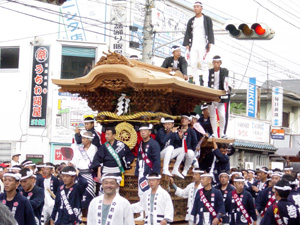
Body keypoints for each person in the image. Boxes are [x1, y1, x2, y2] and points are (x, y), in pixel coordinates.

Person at [183, 1, 214, 86]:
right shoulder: (191, 20)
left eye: (197, 7)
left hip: (203, 43)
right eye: (195, 7)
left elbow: (210, 31)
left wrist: (210, 42)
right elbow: (188, 33)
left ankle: (205, 83)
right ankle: (196, 82)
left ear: (201, 8)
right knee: (192, 63)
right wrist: (187, 45)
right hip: (193, 44)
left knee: (204, 63)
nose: (196, 8)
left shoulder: (207, 19)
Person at [70, 130, 97, 210]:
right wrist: (72, 163)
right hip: (79, 174)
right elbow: (75, 160)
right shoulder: (79, 149)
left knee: (89, 194)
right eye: (82, 138)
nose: (82, 140)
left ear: (89, 140)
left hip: (89, 174)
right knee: (77, 194)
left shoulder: (94, 148)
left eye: (84, 138)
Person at [135, 124, 161, 196]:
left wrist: (155, 174)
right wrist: (137, 171)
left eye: (145, 131)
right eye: (141, 131)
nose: (143, 132)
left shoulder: (154, 144)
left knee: (149, 192)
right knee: (141, 193)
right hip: (141, 171)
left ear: (149, 132)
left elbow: (156, 160)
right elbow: (138, 157)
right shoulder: (141, 143)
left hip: (150, 171)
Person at [207, 55, 229, 138]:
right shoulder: (209, 71)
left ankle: (222, 132)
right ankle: (214, 133)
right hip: (211, 95)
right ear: (212, 63)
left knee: (222, 115)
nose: (216, 64)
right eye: (214, 62)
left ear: (220, 63)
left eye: (217, 62)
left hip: (220, 95)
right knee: (212, 115)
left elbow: (225, 80)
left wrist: (226, 89)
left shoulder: (224, 71)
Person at [173, 114, 198, 178]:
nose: (183, 120)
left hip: (187, 152)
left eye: (186, 119)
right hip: (178, 151)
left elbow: (195, 143)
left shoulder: (192, 131)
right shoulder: (176, 130)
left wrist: (196, 149)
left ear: (189, 121)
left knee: (190, 153)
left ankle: (185, 170)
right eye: (182, 118)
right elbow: (174, 142)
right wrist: (180, 138)